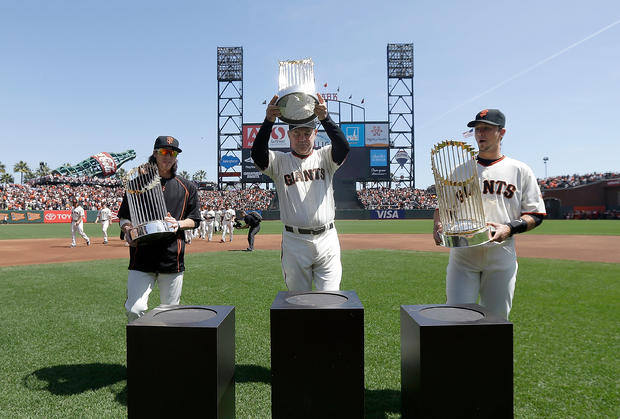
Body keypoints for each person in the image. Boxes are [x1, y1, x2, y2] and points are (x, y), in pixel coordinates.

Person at [433, 109, 546, 319]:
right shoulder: (460, 170)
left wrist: (510, 228)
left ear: (501, 132)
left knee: (497, 320)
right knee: (455, 317)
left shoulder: (519, 170)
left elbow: (536, 214)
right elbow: (443, 208)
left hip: (501, 255)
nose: (480, 133)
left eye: (486, 128)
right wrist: (439, 225)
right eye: (477, 129)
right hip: (463, 257)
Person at [251, 93, 350, 291]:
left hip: (327, 238)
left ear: (315, 134)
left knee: (330, 301)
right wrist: (268, 121)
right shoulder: (280, 161)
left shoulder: (325, 157)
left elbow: (343, 147)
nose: (302, 138)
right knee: (297, 302)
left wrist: (325, 119)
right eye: (297, 134)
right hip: (294, 241)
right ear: (289, 136)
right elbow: (257, 154)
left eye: (307, 133)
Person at [117, 136, 201, 322]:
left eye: (172, 153)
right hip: (141, 257)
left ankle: (166, 349)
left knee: (170, 314)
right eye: (163, 152)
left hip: (172, 258)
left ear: (176, 157)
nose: (168, 156)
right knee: (134, 309)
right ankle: (140, 348)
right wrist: (128, 229)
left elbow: (195, 220)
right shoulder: (136, 184)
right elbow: (123, 216)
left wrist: (178, 224)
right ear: (155, 154)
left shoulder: (187, 187)